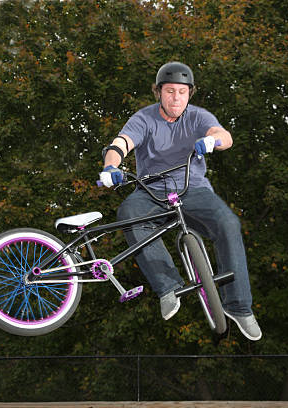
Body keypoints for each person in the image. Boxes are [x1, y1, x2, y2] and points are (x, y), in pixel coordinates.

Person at [99, 62, 262, 341]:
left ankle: (239, 307)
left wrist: (214, 142)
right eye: (170, 91)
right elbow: (121, 143)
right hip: (151, 189)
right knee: (129, 212)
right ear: (158, 92)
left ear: (190, 94)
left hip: (193, 188)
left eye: (182, 92)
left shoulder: (198, 116)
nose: (176, 97)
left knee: (228, 223)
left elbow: (224, 136)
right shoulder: (144, 119)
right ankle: (168, 288)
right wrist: (111, 167)